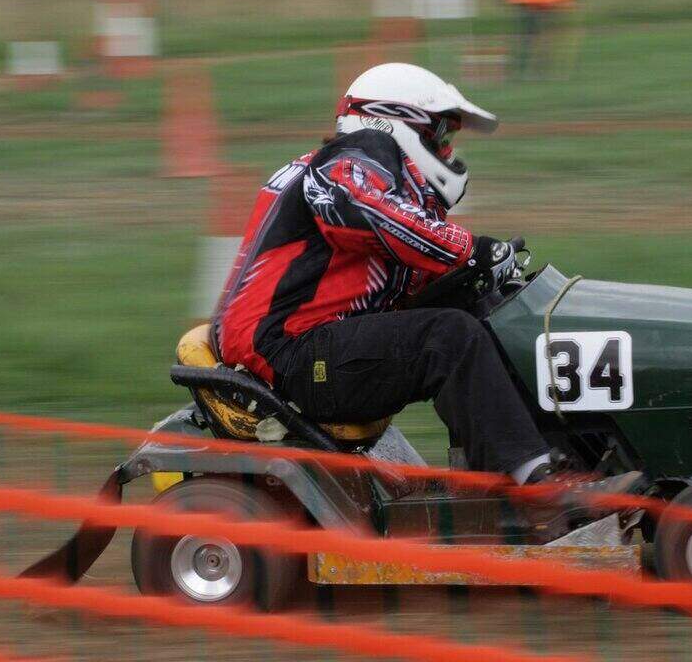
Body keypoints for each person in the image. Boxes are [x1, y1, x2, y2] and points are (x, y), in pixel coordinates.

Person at [211, 63, 633, 489]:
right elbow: (356, 206)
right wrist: (467, 249)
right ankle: (536, 482)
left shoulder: (351, 172)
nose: (448, 152)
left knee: (485, 310)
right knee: (449, 337)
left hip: (304, 346)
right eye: (442, 137)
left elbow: (383, 267)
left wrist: (475, 276)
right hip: (287, 354)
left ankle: (570, 454)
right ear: (397, 125)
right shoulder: (355, 155)